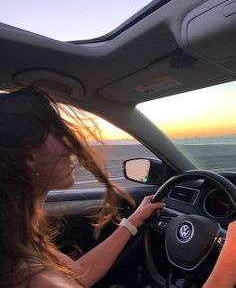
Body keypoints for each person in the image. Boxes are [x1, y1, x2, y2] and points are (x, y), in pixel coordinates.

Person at [0, 86, 235, 288]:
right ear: (28, 154)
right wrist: (230, 258)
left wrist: (133, 221)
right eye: (58, 133)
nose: (72, 146)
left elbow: (80, 274)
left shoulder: (21, 242)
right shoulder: (33, 279)